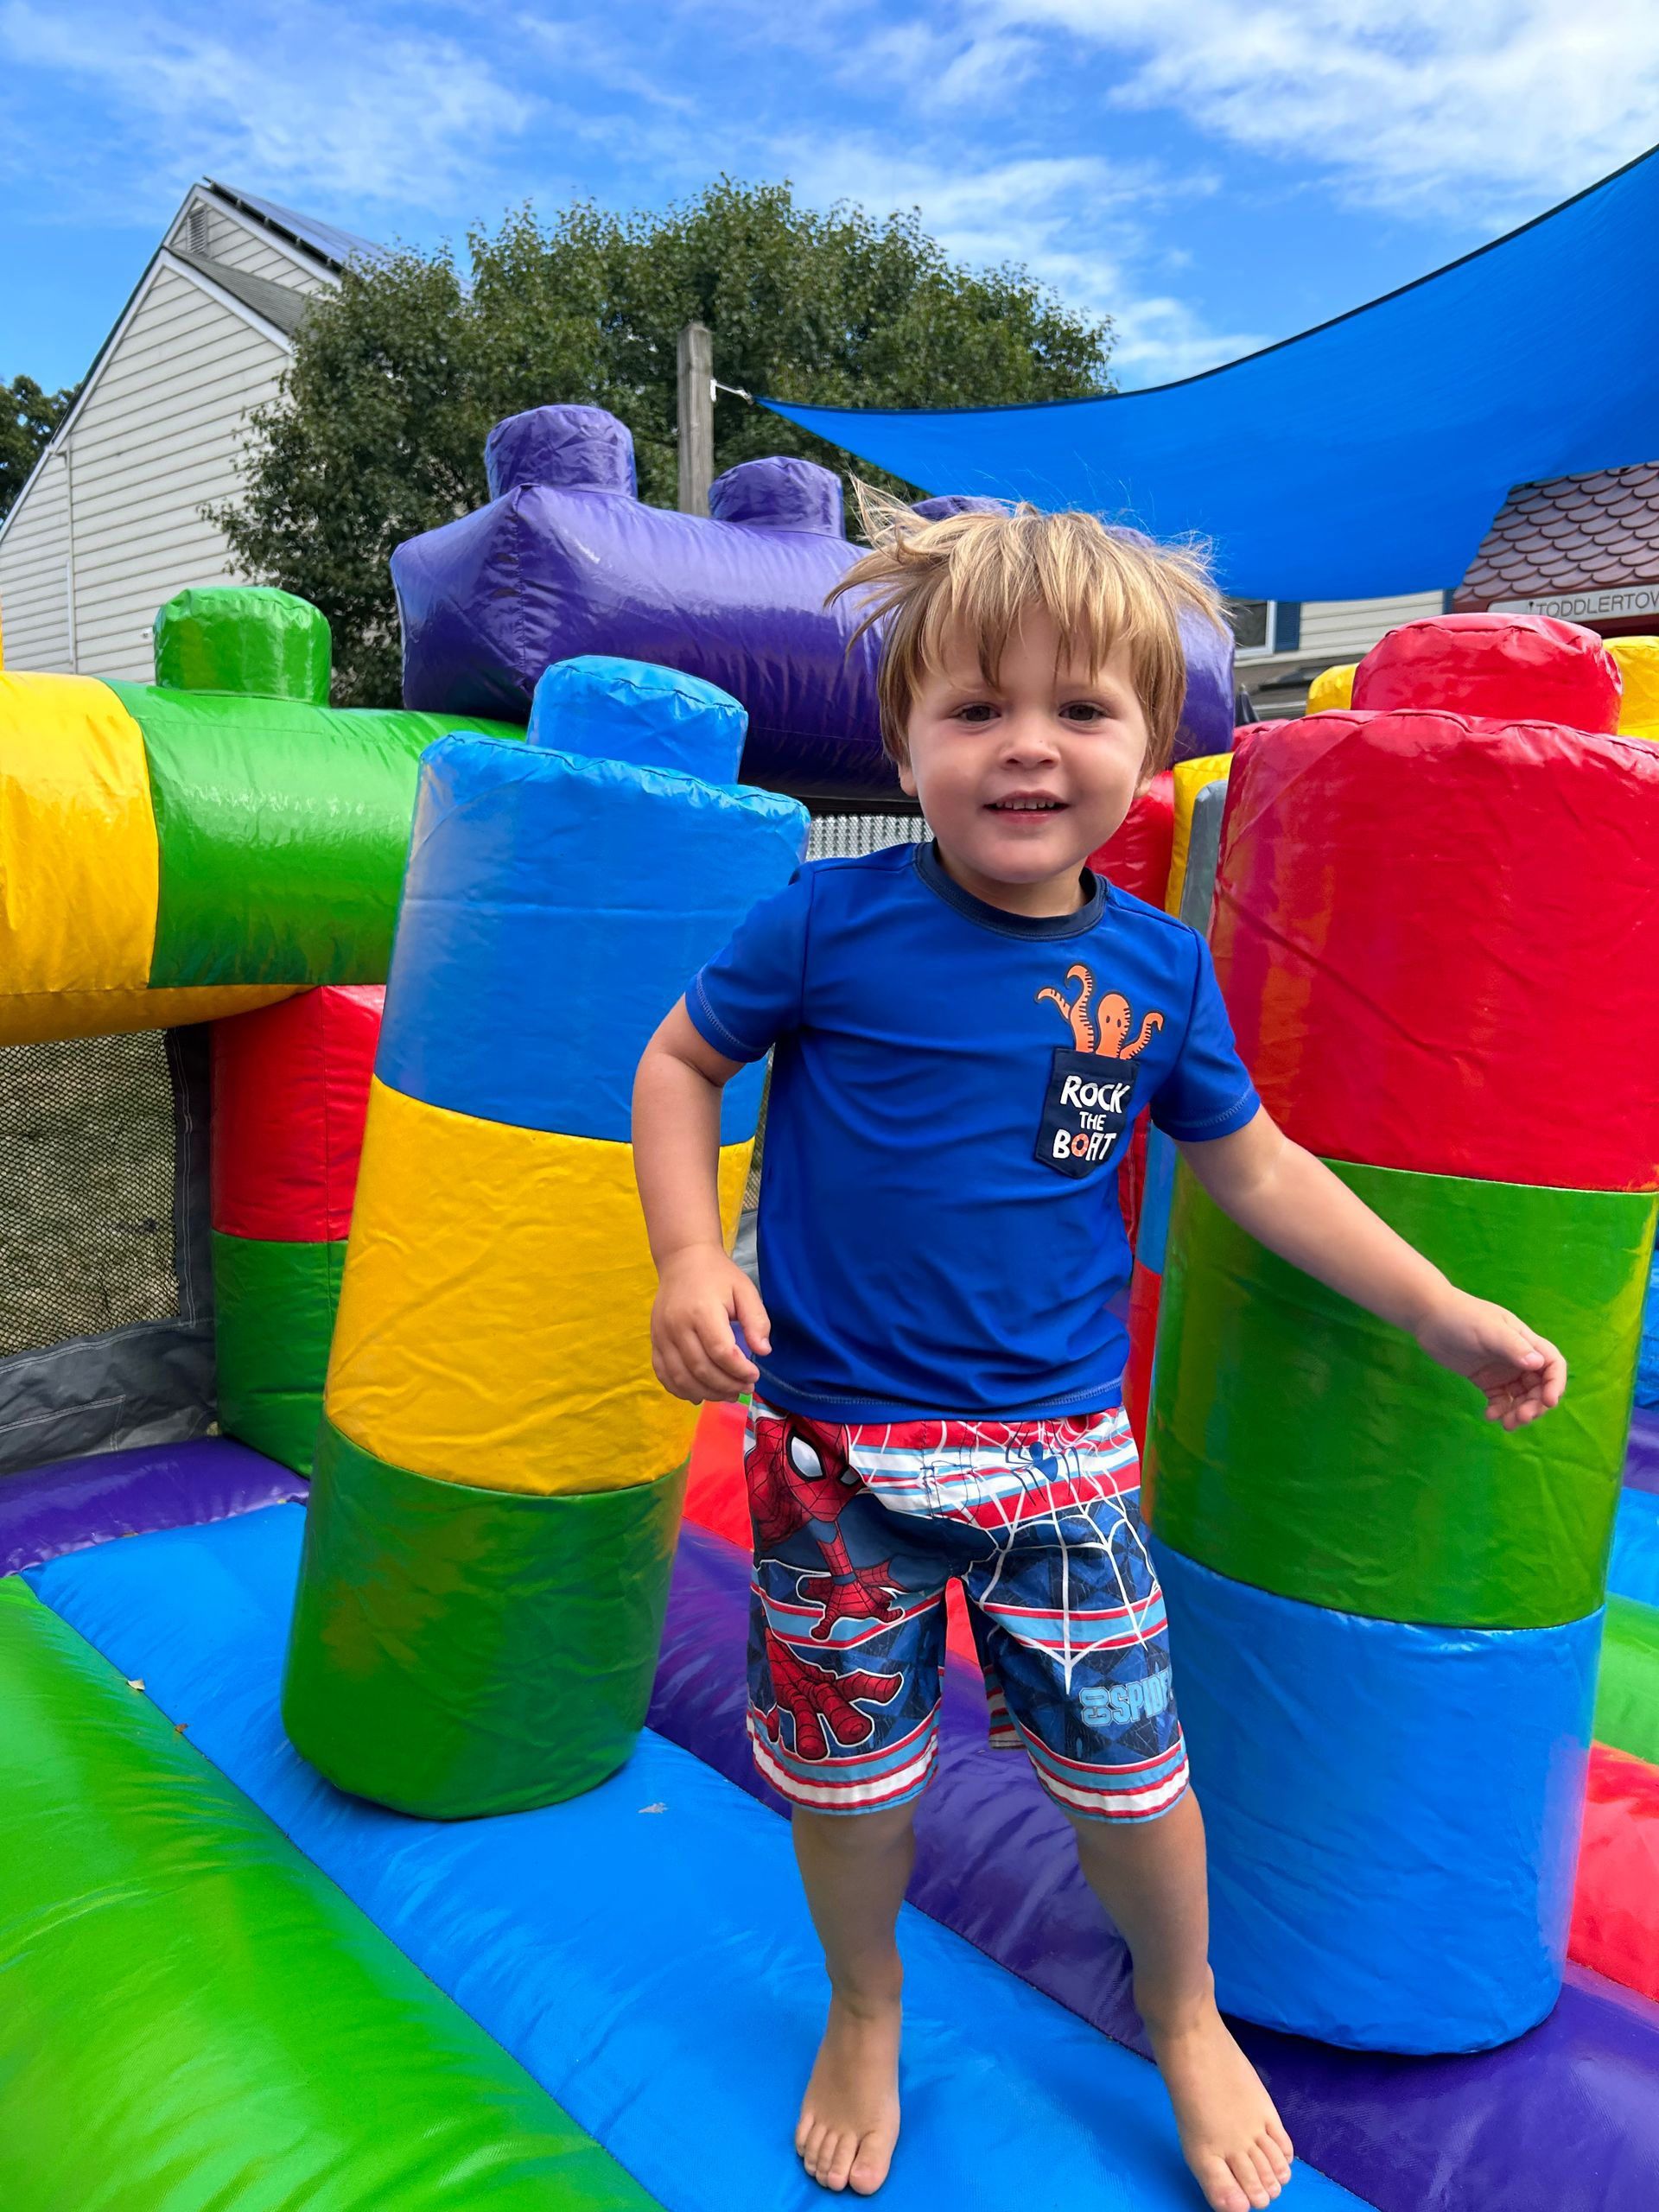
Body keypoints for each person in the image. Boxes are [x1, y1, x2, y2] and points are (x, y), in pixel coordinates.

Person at [631, 501, 1566, 2212]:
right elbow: (680, 1063)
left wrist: (1439, 1305)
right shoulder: (826, 927)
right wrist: (693, 1251)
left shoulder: (1158, 966)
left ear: (1152, 741)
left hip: (1063, 1463)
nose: (1028, 747)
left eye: (1082, 709)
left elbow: (1259, 1166)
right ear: (905, 735)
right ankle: (865, 1996)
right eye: (976, 708)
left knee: (1135, 1773)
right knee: (849, 1779)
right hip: (838, 1456)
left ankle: (1187, 2005)